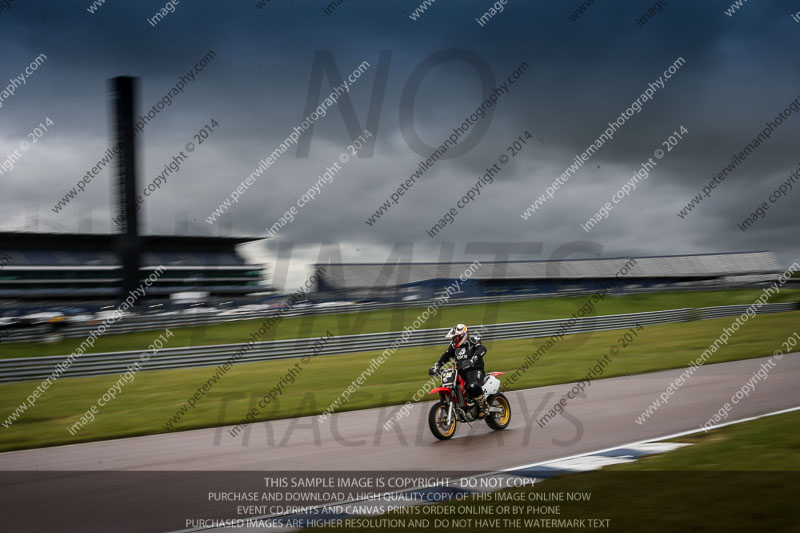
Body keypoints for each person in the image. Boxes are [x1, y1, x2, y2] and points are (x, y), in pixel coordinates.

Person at [429, 323, 489, 417]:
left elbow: (482, 348)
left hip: (475, 369)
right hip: (460, 371)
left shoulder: (472, 340)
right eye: (453, 338)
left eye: (455, 337)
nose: (454, 340)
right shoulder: (453, 346)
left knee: (472, 386)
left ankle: (484, 406)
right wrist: (436, 366)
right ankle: (458, 406)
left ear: (463, 336)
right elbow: (445, 356)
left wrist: (474, 358)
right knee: (448, 386)